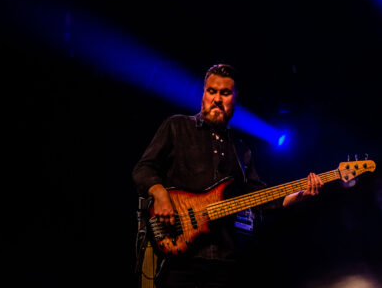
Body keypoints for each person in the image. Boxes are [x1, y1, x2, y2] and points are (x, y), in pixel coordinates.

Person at [132, 63, 323, 288]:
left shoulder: (241, 149)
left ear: (235, 100)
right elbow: (143, 168)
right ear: (203, 94)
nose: (217, 99)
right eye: (211, 91)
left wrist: (295, 197)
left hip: (226, 261)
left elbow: (258, 196)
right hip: (181, 258)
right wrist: (160, 193)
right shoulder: (177, 126)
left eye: (225, 93)